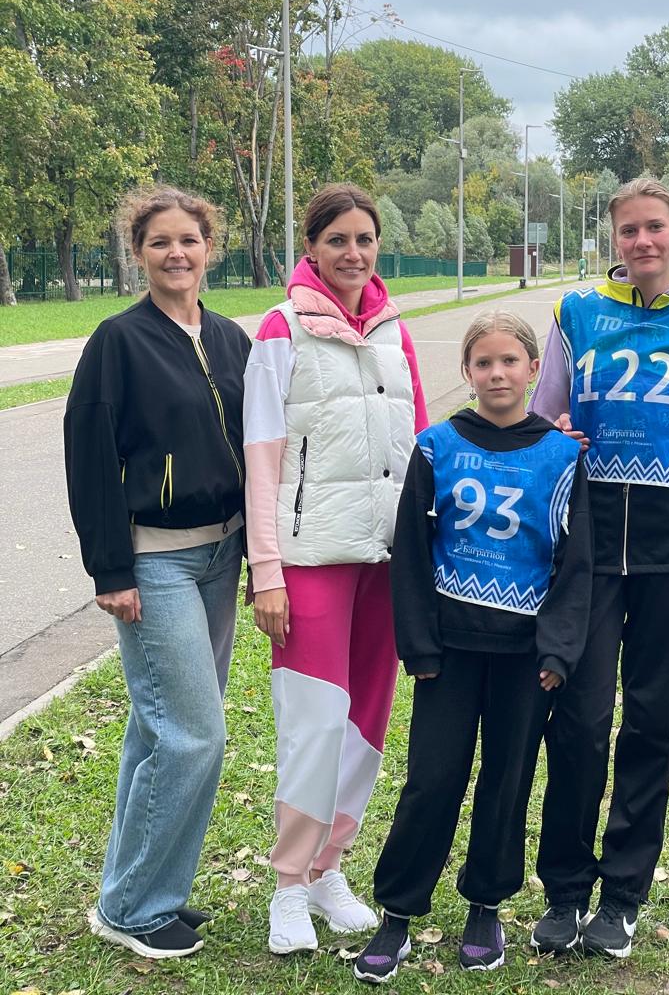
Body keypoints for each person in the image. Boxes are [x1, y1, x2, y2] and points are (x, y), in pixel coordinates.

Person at [529, 178, 669, 958]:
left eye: (655, 227)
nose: (643, 241)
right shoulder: (576, 314)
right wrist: (555, 436)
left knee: (650, 725)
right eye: (628, 230)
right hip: (585, 557)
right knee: (579, 724)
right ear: (612, 239)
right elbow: (538, 426)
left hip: (667, 555)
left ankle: (621, 898)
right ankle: (564, 892)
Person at [352, 311, 592, 983]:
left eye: (509, 361)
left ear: (533, 369)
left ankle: (485, 904)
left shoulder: (563, 455)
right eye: (483, 363)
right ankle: (398, 909)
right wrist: (419, 646)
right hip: (449, 653)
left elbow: (576, 562)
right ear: (467, 372)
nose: (497, 373)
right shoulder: (437, 447)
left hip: (525, 657)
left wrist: (558, 650)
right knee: (432, 780)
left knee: (506, 780)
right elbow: (411, 554)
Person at [64, 187, 250, 960]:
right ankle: (133, 908)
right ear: (137, 253)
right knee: (194, 736)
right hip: (156, 559)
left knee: (159, 732)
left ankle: (145, 890)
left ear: (210, 248)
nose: (177, 253)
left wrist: (260, 552)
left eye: (189, 240)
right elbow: (88, 455)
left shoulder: (232, 338)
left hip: (221, 554)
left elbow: (258, 445)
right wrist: (111, 569)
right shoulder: (119, 341)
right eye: (160, 242)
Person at [243, 183, 428, 955]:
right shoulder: (281, 329)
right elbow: (261, 457)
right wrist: (267, 572)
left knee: (366, 723)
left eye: (365, 239)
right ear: (311, 249)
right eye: (338, 240)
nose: (354, 253)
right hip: (311, 557)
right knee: (314, 724)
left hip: (386, 559)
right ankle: (289, 884)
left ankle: (328, 870)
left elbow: (419, 442)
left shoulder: (394, 329)